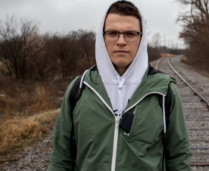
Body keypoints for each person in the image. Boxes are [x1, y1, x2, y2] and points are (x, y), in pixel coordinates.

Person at [48, 1, 191, 171]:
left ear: (141, 38)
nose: (121, 41)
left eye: (130, 34)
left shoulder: (164, 91)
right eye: (113, 33)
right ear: (102, 37)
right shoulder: (80, 89)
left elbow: (179, 157)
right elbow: (61, 158)